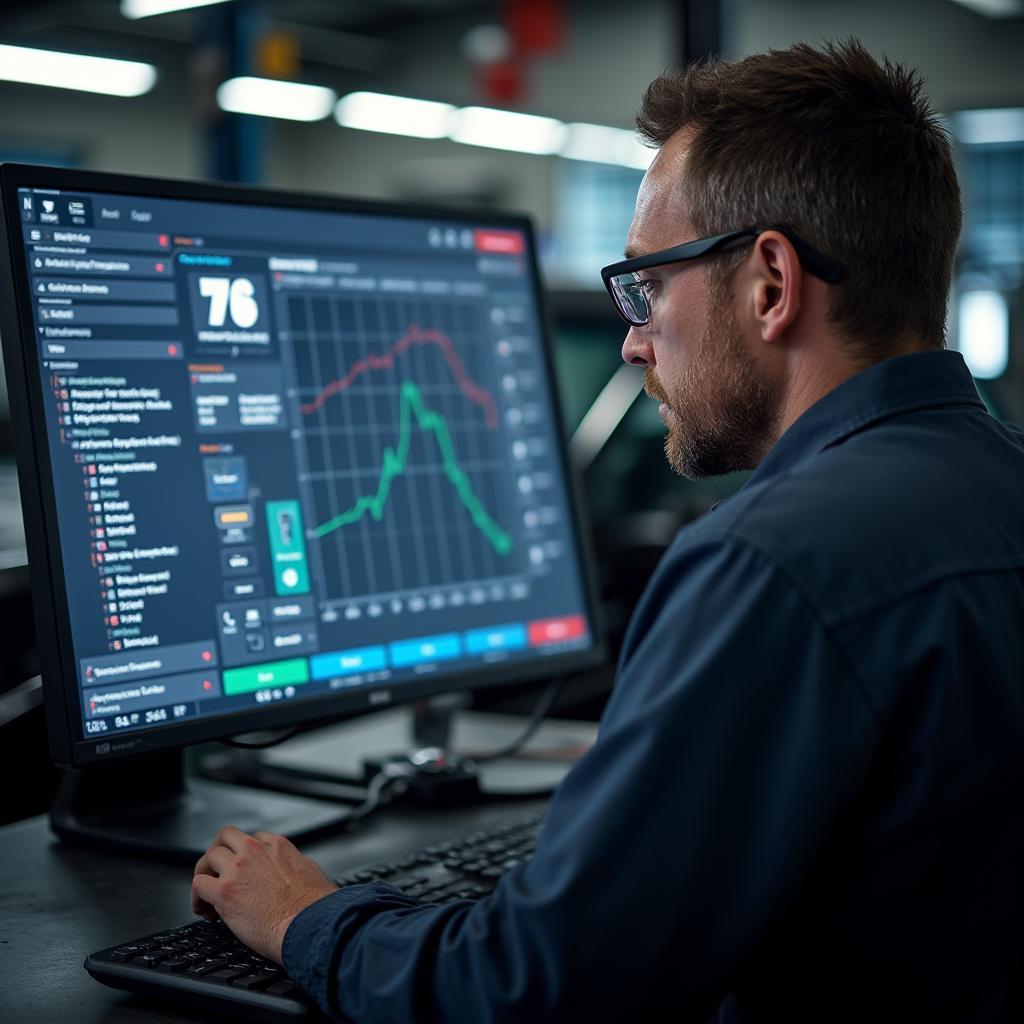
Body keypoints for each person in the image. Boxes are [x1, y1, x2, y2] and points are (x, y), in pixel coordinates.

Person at [191, 40, 1024, 1022]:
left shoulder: (769, 563)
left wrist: (306, 916)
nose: (632, 339)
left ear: (769, 284)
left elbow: (533, 989)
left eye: (647, 286)